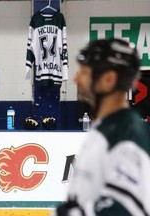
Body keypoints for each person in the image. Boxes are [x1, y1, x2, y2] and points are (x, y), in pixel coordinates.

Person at [54, 38, 150, 216]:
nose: (76, 79)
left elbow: (123, 209)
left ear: (108, 79)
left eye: (83, 72)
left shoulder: (126, 133)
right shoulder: (106, 127)